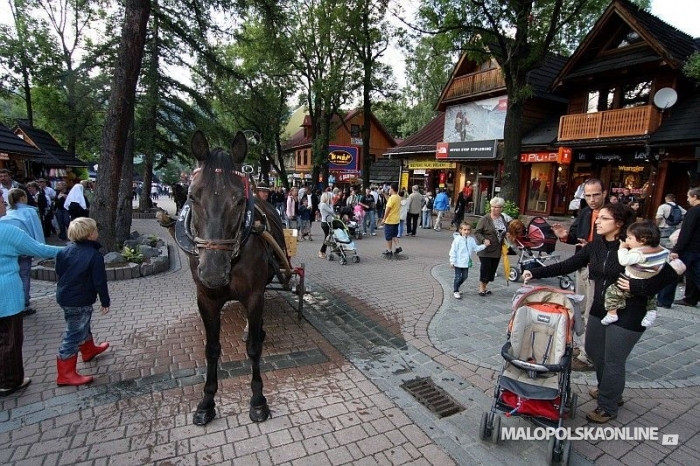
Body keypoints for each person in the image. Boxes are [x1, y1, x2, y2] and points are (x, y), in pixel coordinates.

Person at [522, 202, 679, 423]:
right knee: (595, 353)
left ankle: (608, 406)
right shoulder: (595, 246)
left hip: (629, 313)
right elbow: (569, 264)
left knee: (614, 361)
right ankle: (610, 389)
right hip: (599, 308)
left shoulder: (636, 247)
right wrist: (534, 271)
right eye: (598, 217)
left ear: (619, 223)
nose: (597, 221)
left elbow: (671, 274)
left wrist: (637, 288)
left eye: (604, 218)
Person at [0, 194, 62, 397]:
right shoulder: (7, 232)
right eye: (1, 200)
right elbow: (40, 250)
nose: (5, 203)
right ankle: (9, 381)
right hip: (6, 295)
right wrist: (72, 249)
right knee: (10, 338)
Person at [550, 178, 607, 371]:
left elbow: (617, 243)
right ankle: (581, 346)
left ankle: (588, 356)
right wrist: (564, 235)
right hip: (583, 265)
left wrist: (591, 248)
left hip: (599, 270)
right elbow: (576, 237)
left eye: (595, 195)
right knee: (581, 308)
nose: (591, 199)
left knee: (592, 311)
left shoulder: (612, 215)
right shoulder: (585, 213)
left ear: (604, 194)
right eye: (588, 195)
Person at [55, 217, 110, 386]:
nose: (97, 232)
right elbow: (99, 281)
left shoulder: (63, 251)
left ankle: (88, 349)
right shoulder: (94, 256)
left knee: (81, 324)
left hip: (66, 297)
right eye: (95, 230)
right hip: (80, 299)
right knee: (73, 334)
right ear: (90, 235)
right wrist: (105, 301)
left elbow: (59, 271)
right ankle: (65, 373)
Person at [602, 220, 685, 327]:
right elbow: (666, 260)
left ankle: (612, 313)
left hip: (633, 278)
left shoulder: (639, 253)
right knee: (650, 297)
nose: (627, 240)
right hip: (650, 278)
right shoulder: (662, 250)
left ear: (642, 240)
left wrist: (622, 249)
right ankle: (651, 312)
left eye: (630, 238)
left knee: (612, 291)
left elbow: (624, 261)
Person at [0, 188, 46, 317]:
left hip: (10, 248)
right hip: (24, 247)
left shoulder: (8, 212)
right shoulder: (30, 211)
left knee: (15, 274)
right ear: (23, 198)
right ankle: (25, 303)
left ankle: (15, 302)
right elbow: (36, 230)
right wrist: (40, 247)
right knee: (24, 275)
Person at [474, 197, 511, 296]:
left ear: (501, 208)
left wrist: (506, 234)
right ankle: (481, 288)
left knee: (492, 270)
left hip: (497, 249)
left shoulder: (502, 218)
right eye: (492, 207)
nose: (494, 209)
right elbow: (477, 233)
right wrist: (483, 240)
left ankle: (485, 287)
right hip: (486, 249)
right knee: (485, 268)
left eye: (497, 207)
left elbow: (504, 230)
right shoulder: (485, 219)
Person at [670, 187, 700, 309]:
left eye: (689, 197)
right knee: (693, 275)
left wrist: (677, 249)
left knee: (675, 272)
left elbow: (686, 232)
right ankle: (691, 298)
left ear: (695, 197)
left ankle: (665, 300)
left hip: (691, 248)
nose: (688, 199)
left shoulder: (694, 212)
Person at [449, 221, 488, 299]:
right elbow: (453, 251)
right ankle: (456, 290)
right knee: (458, 277)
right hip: (458, 262)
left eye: (468, 230)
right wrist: (452, 261)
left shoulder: (471, 240)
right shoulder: (457, 240)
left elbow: (476, 248)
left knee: (465, 277)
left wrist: (484, 246)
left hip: (466, 263)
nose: (466, 231)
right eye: (465, 230)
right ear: (460, 230)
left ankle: (457, 286)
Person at [381, 183, 402, 256]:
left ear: (392, 189)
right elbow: (389, 200)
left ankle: (389, 251)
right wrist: (384, 194)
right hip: (396, 220)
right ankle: (398, 246)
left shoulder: (392, 198)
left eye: (390, 189)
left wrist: (384, 219)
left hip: (390, 221)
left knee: (388, 237)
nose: (389, 190)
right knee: (394, 235)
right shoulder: (398, 197)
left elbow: (388, 209)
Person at [317, 192, 335, 259]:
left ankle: (323, 251)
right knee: (327, 238)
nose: (331, 199)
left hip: (329, 222)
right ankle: (321, 251)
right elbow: (331, 211)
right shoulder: (323, 205)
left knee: (327, 238)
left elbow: (332, 214)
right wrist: (331, 204)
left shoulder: (326, 205)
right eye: (330, 198)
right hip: (325, 223)